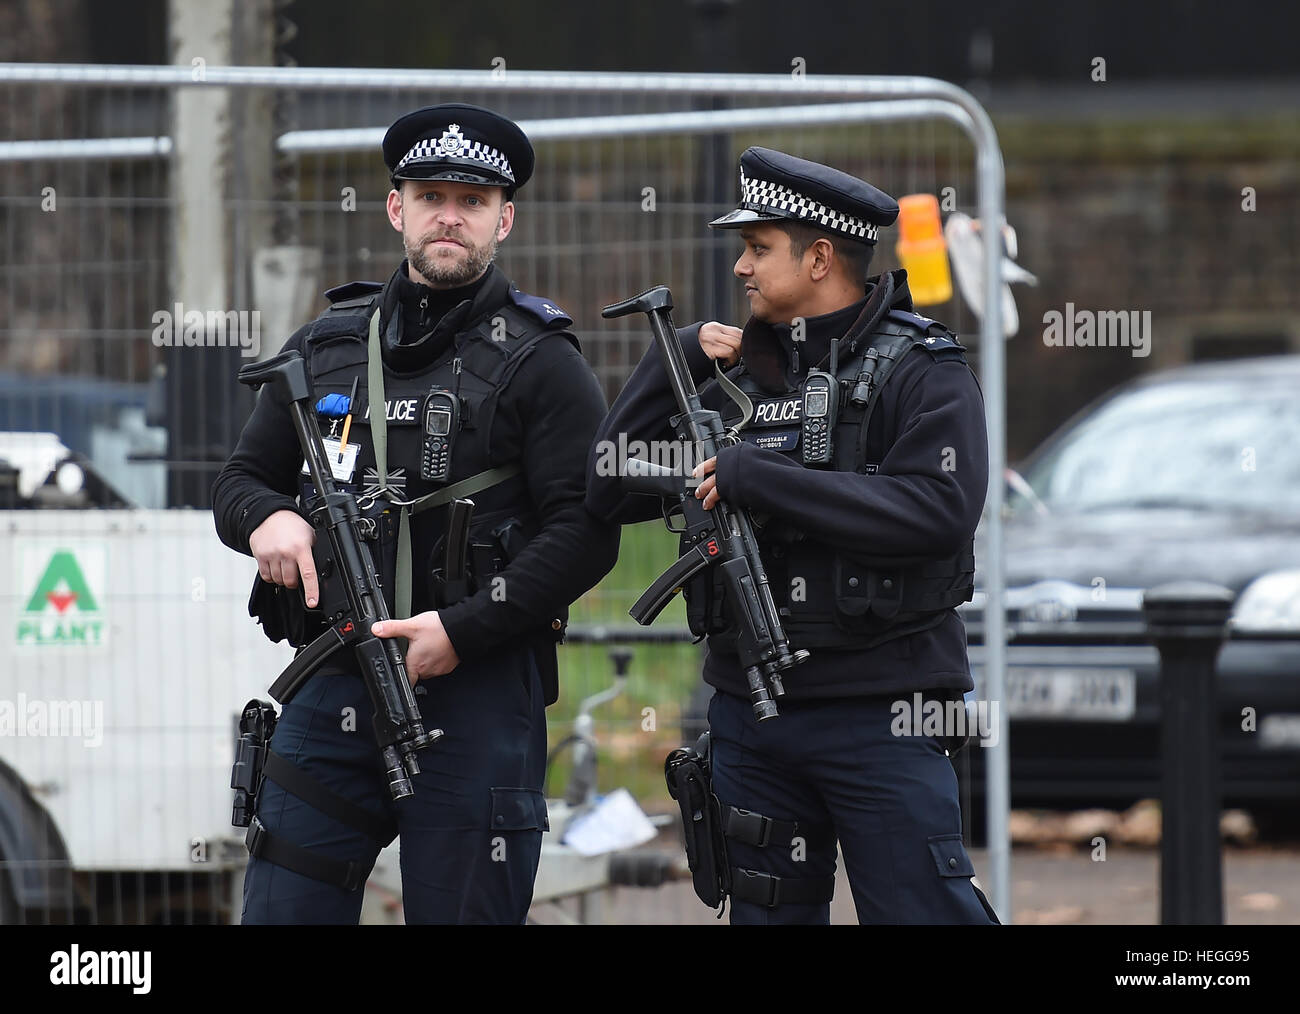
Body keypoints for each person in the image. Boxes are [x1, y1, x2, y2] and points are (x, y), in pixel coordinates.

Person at [212, 103, 619, 924]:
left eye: (472, 202)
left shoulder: (544, 362)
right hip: (332, 679)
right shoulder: (328, 345)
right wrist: (268, 519)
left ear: (504, 219)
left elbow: (585, 530)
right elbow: (241, 480)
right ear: (396, 208)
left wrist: (460, 631)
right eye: (430, 195)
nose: (449, 216)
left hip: (476, 692)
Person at [585, 147, 998, 925]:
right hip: (751, 718)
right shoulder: (738, 376)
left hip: (882, 713)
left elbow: (937, 510)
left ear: (818, 257)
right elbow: (606, 488)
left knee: (922, 912)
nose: (741, 267)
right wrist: (671, 363)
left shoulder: (921, 369)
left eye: (758, 248)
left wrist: (762, 479)